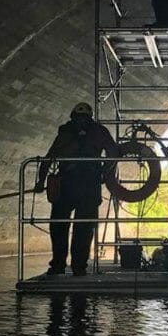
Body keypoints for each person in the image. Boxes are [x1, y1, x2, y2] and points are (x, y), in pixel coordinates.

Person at [35, 102, 118, 276]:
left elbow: (49, 158)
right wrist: (104, 171)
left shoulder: (65, 132)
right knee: (84, 227)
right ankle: (79, 267)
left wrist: (40, 183)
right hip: (89, 185)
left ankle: (58, 265)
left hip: (67, 184)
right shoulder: (99, 132)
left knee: (59, 225)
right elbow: (113, 153)